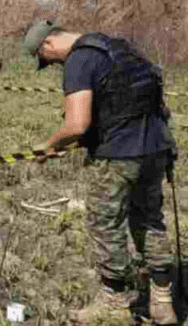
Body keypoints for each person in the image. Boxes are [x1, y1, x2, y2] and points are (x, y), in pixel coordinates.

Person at [24, 19, 177, 325]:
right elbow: (121, 105)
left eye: (48, 60)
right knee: (149, 220)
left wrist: (49, 144)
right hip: (156, 147)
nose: (53, 65)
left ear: (47, 45)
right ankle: (163, 303)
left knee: (104, 223)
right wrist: (73, 143)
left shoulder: (79, 59)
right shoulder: (119, 47)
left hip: (118, 154)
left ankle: (114, 302)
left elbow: (77, 123)